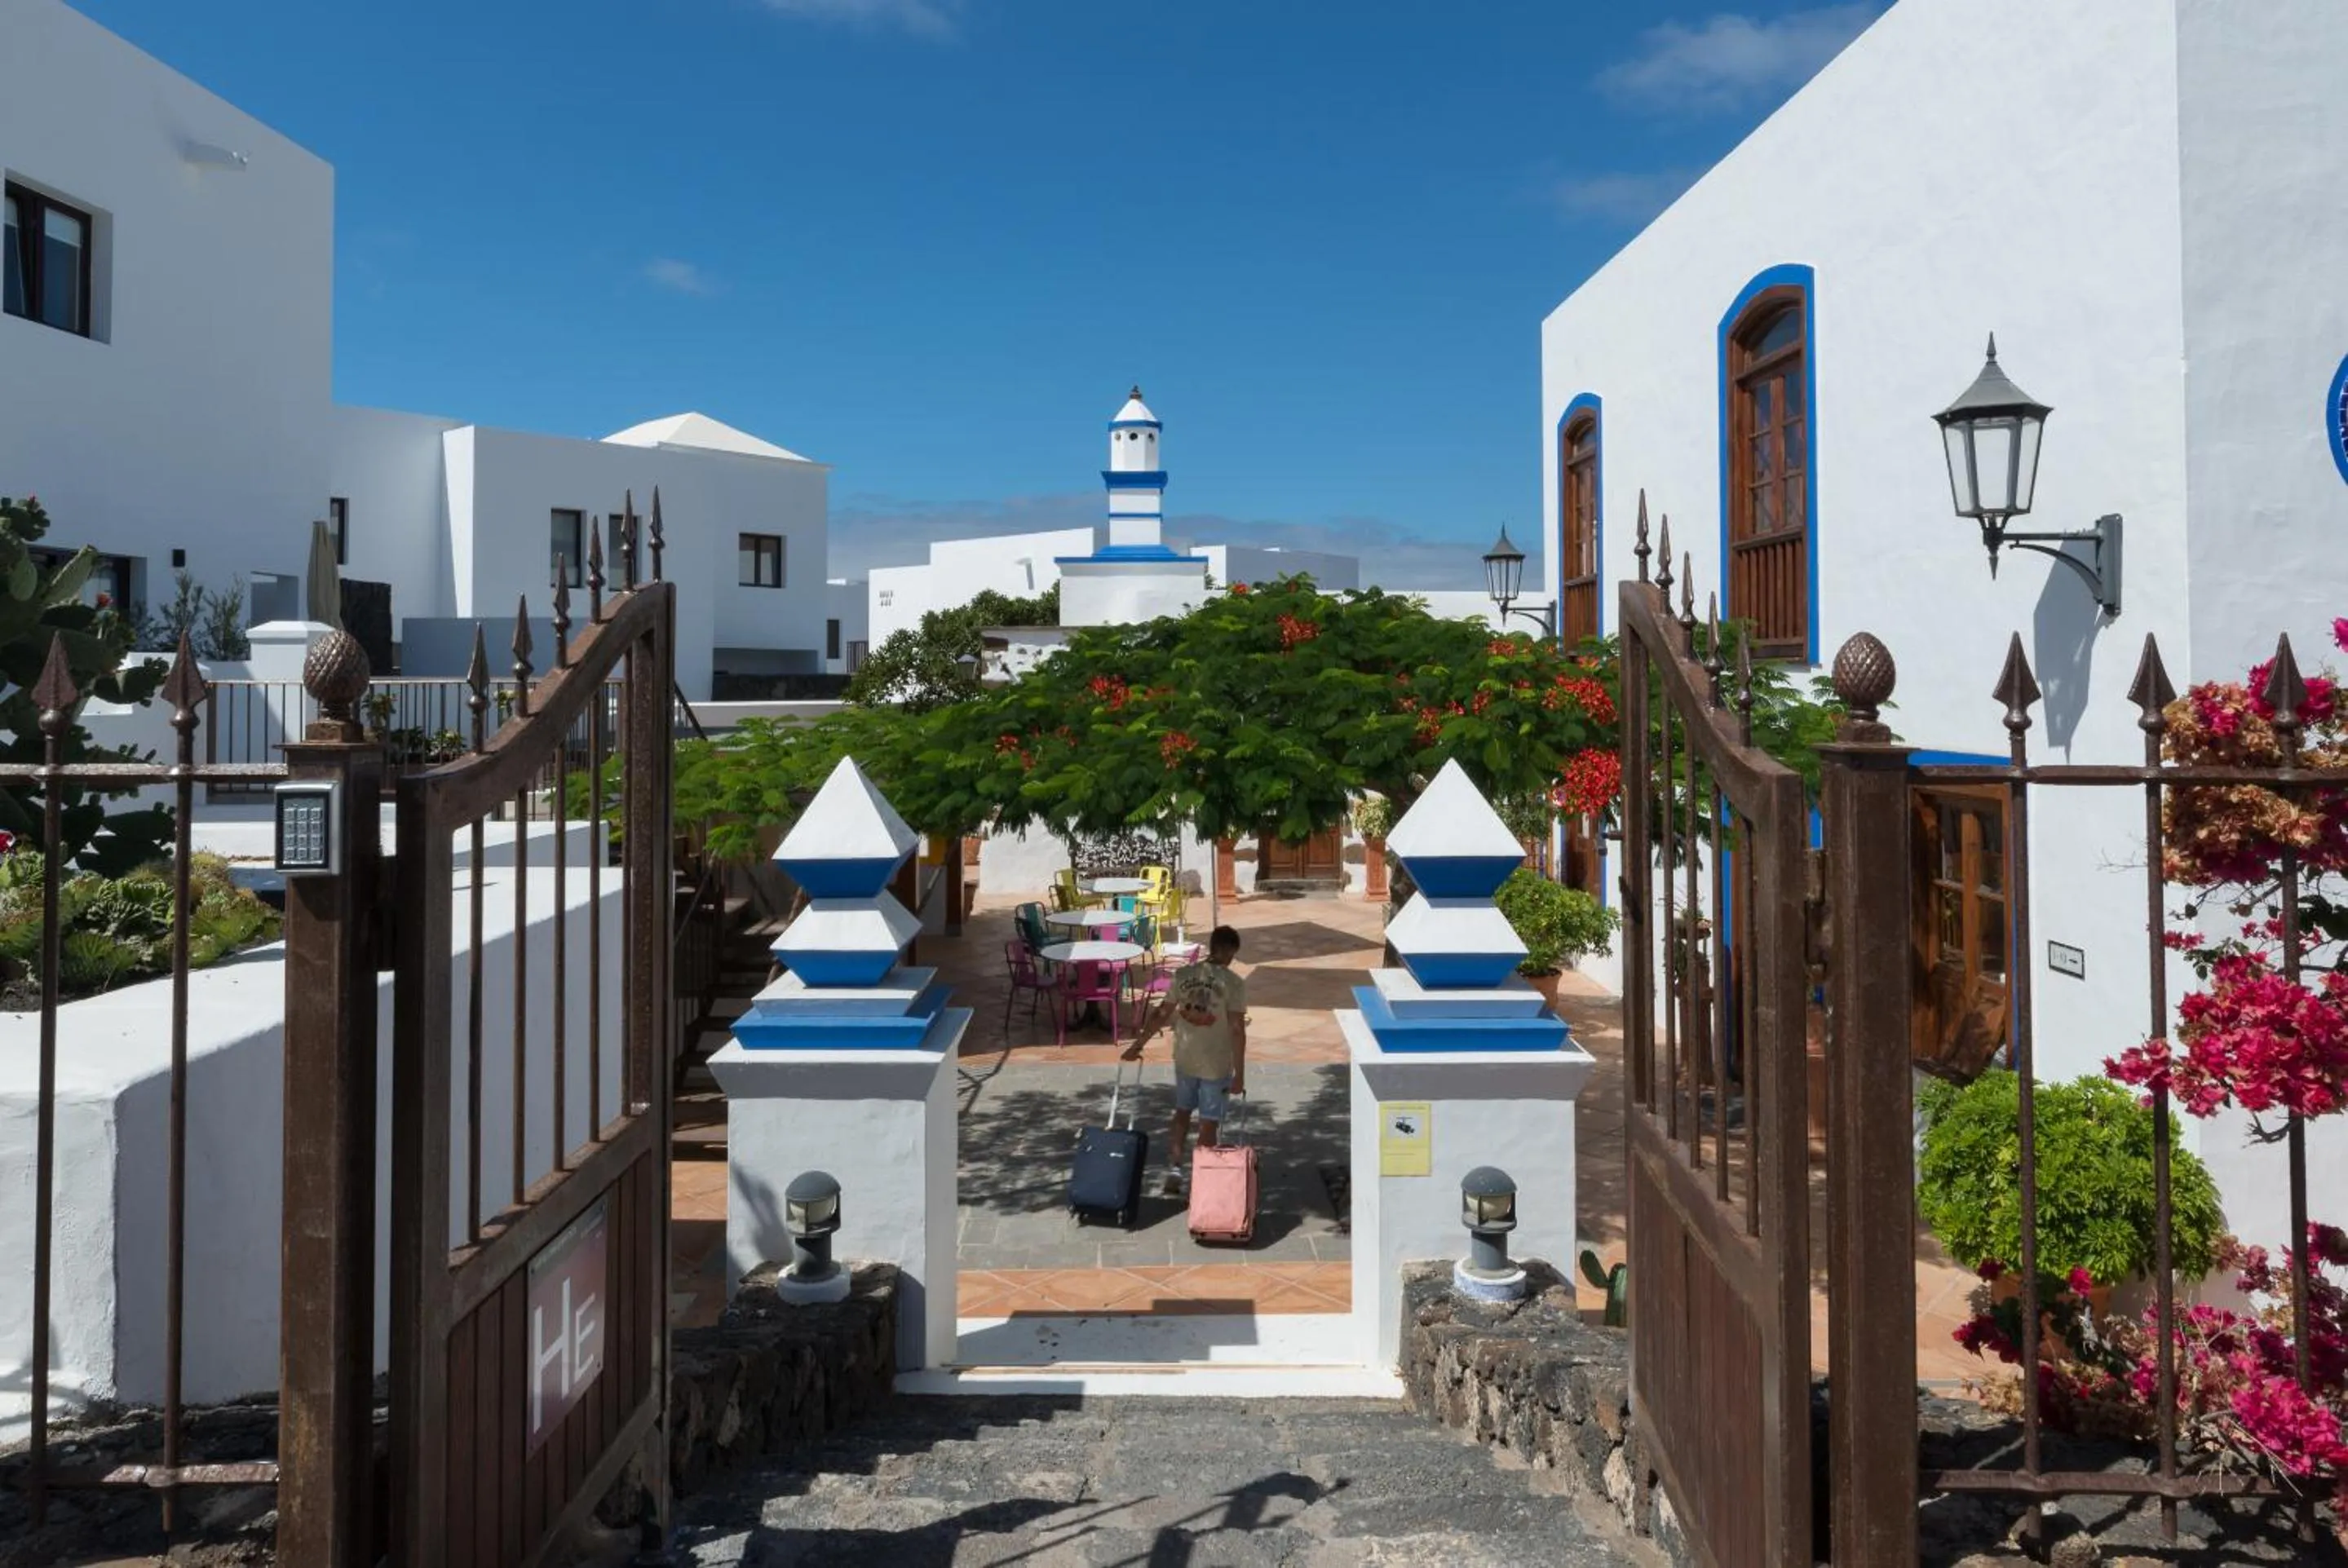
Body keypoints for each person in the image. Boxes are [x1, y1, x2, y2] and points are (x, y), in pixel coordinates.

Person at [1124, 925, 1247, 1199]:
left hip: (1185, 1057)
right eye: (1232, 954)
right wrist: (1240, 1073)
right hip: (1216, 1062)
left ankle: (1175, 1169)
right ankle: (1202, 1176)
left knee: (1182, 1111)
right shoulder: (1234, 984)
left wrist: (1137, 1045)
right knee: (1209, 1121)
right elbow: (1237, 1030)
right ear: (1227, 951)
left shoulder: (1183, 975)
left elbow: (1161, 1014)